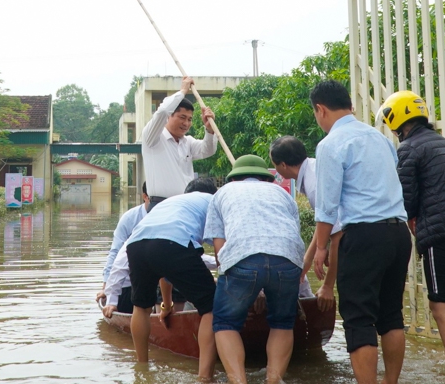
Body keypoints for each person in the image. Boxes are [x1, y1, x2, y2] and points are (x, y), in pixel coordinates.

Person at [310, 80, 410, 384]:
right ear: (349, 105)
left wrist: (321, 246)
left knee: (358, 319)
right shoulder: (379, 138)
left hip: (364, 236)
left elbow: (327, 206)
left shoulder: (330, 144)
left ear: (321, 109)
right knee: (391, 315)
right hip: (398, 234)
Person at [382, 90, 445, 382]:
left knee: (440, 307)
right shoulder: (442, 143)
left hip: (442, 232)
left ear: (397, 120)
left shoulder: (409, 148)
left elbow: (407, 198)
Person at [205, 155, 306, 384]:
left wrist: (239, 287)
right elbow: (293, 235)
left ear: (234, 177)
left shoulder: (222, 193)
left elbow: (221, 251)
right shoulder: (282, 193)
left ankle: (238, 381)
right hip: (288, 258)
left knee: (225, 323)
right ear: (265, 177)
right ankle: (274, 380)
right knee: (282, 322)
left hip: (242, 256)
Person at [124, 176, 219, 378]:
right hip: (173, 242)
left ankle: (142, 369)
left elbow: (164, 270)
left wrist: (167, 305)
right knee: (211, 307)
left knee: (140, 307)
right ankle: (205, 377)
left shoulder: (172, 202)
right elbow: (221, 248)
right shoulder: (214, 201)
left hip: (136, 244)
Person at [269, 136, 341, 311]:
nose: (277, 171)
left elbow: (338, 235)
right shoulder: (313, 169)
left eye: (276, 165)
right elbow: (323, 222)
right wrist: (307, 261)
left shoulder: (314, 184)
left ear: (283, 165)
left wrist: (328, 285)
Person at [141, 76, 217, 207]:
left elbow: (208, 150)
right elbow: (163, 111)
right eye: (182, 117)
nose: (186, 123)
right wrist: (182, 91)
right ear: (170, 116)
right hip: (161, 205)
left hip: (186, 204)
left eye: (189, 119)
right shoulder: (152, 138)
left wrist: (209, 129)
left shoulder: (187, 142)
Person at [95, 183, 151, 312]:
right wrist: (106, 287)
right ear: (145, 197)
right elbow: (115, 253)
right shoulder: (130, 219)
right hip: (128, 282)